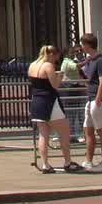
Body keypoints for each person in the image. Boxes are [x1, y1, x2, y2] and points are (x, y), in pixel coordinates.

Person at [27, 45, 79, 173]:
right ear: (52, 55)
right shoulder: (48, 66)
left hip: (36, 101)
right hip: (50, 101)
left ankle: (45, 164)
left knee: (43, 134)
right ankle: (67, 162)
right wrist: (60, 76)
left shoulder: (33, 65)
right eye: (56, 57)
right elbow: (55, 85)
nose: (56, 60)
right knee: (64, 132)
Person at [79, 32, 102, 172]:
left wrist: (98, 100)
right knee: (88, 130)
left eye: (82, 44)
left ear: (88, 45)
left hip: (99, 100)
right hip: (91, 99)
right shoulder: (91, 60)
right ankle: (88, 161)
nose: (81, 47)